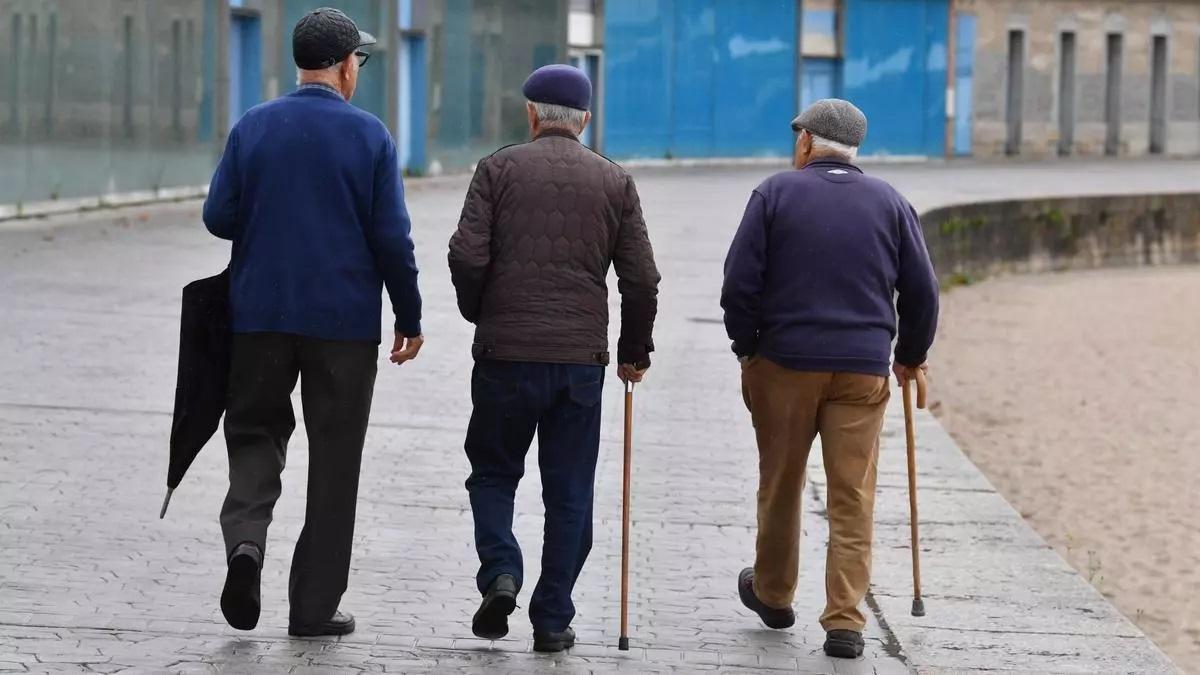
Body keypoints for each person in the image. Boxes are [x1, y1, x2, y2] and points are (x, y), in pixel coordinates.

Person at [202, 7, 423, 637]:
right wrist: (408, 314)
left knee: (253, 434)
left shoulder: (254, 126)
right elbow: (392, 240)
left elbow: (219, 217)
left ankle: (246, 545)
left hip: (259, 315)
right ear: (348, 64)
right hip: (344, 328)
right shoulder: (371, 136)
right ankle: (313, 606)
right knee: (335, 460)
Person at [447, 64, 660, 653]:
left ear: (532, 114)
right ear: (585, 121)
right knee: (570, 492)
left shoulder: (496, 169)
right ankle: (552, 617)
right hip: (579, 363)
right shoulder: (615, 182)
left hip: (504, 353)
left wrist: (481, 312)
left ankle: (500, 572)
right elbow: (641, 279)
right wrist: (633, 350)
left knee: (492, 472)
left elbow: (466, 255)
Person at [721, 99, 938, 659]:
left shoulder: (775, 193)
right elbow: (922, 292)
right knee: (852, 494)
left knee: (782, 481)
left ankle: (773, 593)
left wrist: (748, 349)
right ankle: (845, 619)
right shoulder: (891, 202)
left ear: (807, 142)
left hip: (784, 364)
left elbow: (739, 283)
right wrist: (910, 354)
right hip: (862, 368)